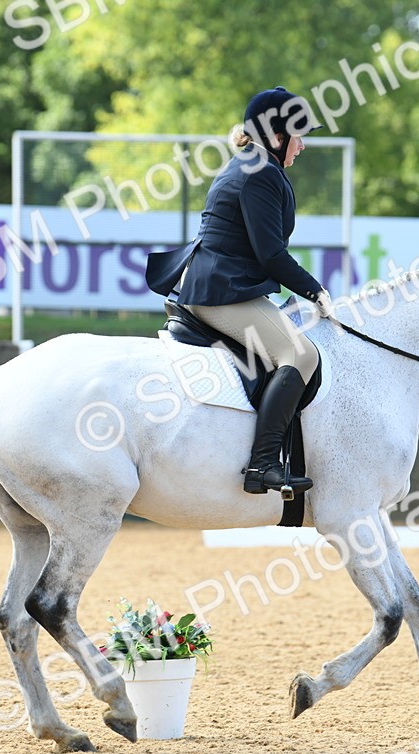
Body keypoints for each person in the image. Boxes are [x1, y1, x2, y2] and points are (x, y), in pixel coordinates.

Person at [146, 86, 332, 497]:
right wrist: (314, 289)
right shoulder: (259, 172)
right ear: (278, 136)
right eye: (298, 136)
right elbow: (272, 255)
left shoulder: (255, 164)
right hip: (221, 290)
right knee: (300, 354)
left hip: (229, 283)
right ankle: (262, 464)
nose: (302, 146)